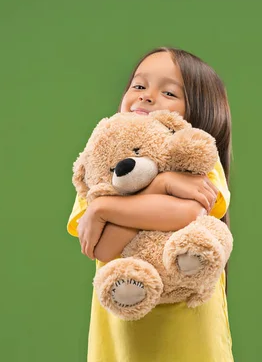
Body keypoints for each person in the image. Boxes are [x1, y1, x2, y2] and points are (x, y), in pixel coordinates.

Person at [67, 47, 234, 361]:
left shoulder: (199, 164)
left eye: (169, 92)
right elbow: (103, 248)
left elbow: (188, 212)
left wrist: (105, 209)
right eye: (139, 86)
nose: (145, 96)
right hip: (121, 344)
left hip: (192, 340)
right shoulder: (99, 172)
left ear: (199, 112)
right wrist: (163, 185)